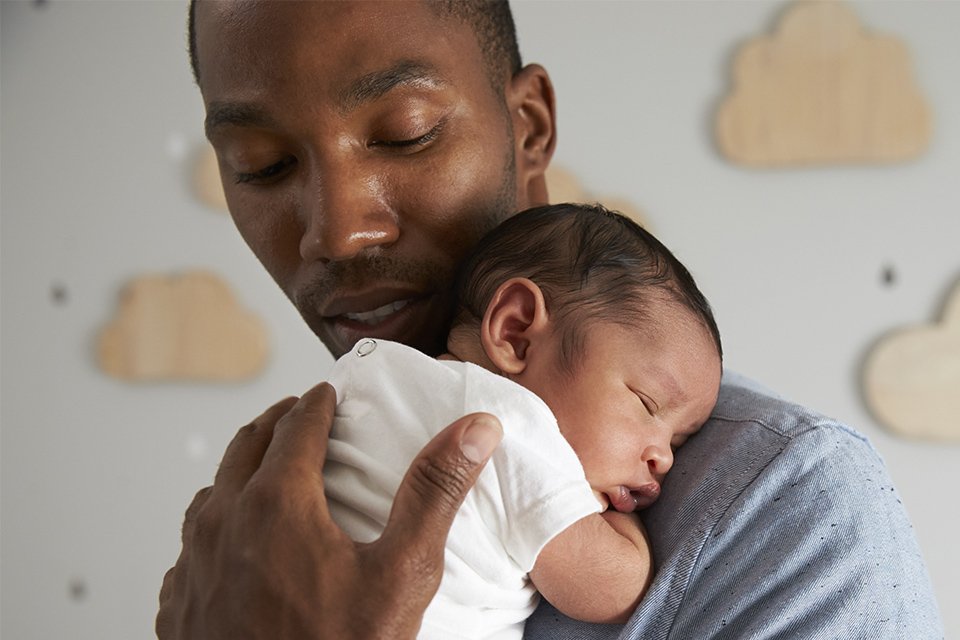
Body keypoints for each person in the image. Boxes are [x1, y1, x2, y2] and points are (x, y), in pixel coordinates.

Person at [157, 1, 944, 638]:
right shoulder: (268, 506)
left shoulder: (786, 508)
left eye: (406, 133)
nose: (335, 231)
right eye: (260, 164)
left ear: (528, 127)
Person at [323, 203, 723, 638]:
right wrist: (611, 515)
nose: (663, 457)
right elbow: (614, 591)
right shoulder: (513, 426)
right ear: (516, 332)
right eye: (647, 404)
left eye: (679, 441)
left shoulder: (372, 375)